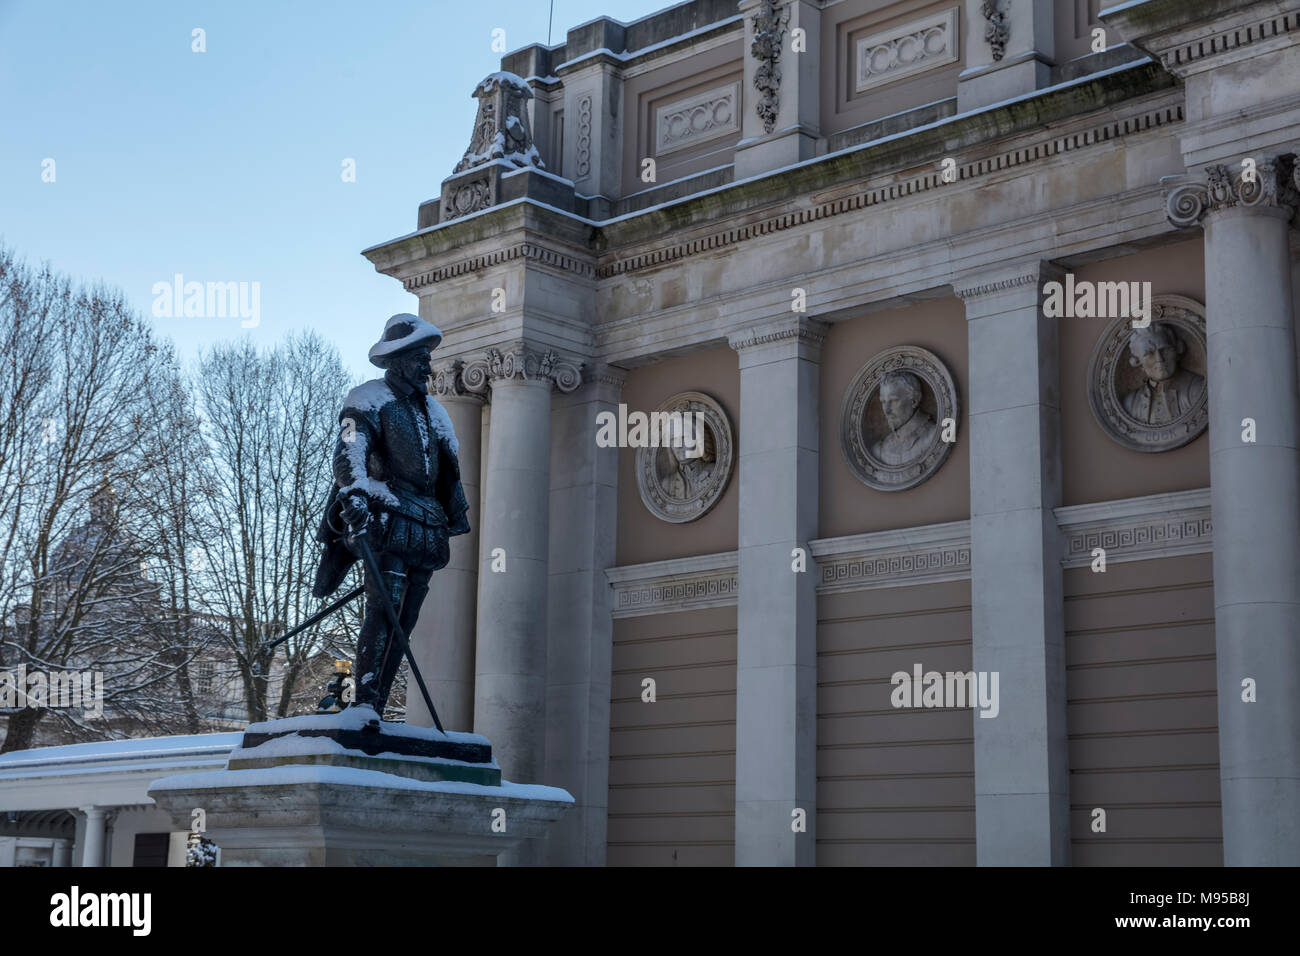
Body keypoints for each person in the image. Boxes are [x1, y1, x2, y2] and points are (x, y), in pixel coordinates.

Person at [312, 313, 470, 715]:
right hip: (385, 514)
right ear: (399, 360)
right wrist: (357, 494)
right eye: (421, 359)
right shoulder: (365, 400)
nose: (428, 368)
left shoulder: (434, 412)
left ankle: (377, 704)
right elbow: (349, 450)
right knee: (384, 611)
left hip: (427, 521)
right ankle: (364, 700)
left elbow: (444, 469)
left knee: (407, 621)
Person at [1121, 322, 1206, 425]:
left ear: (1177, 351)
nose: (1159, 359)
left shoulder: (1197, 389)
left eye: (1165, 350)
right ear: (1138, 362)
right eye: (1149, 354)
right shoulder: (1131, 403)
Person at [870, 370, 937, 466]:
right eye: (883, 402)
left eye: (893, 400)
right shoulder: (880, 450)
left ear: (914, 401)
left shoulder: (933, 435)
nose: (886, 410)